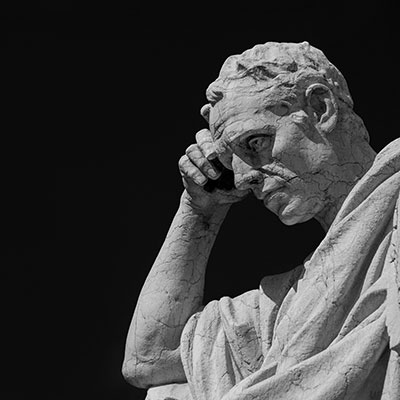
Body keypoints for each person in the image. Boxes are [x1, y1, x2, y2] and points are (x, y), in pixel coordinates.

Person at [122, 41, 400, 400]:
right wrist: (198, 209)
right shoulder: (290, 305)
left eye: (255, 142)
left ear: (320, 108)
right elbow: (148, 359)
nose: (242, 179)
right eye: (230, 161)